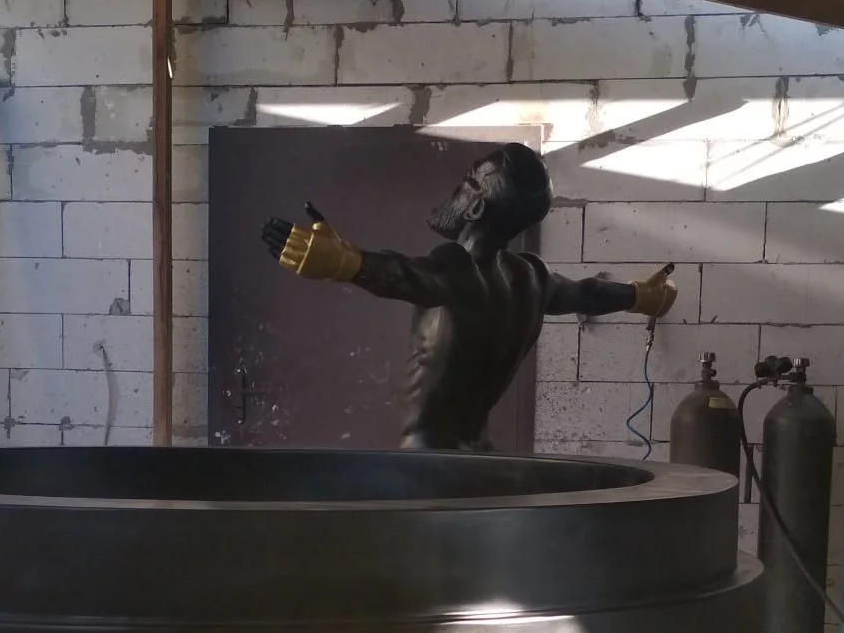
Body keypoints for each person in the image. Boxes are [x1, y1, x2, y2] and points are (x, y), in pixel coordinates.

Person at [262, 142, 676, 452]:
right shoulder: (531, 276)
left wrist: (344, 261)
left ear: (476, 206)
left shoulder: (456, 267)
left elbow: (407, 276)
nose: (458, 187)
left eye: (469, 180)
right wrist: (643, 295)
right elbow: (587, 293)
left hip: (429, 464)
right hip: (480, 456)